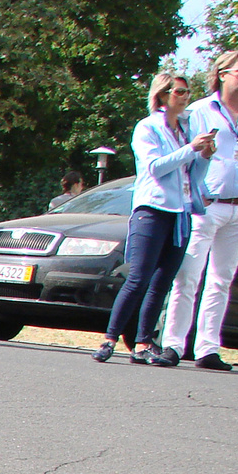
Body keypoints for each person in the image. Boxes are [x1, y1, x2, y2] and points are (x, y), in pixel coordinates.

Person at [158, 50, 238, 371]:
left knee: (221, 280)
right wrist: (196, 194)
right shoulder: (198, 112)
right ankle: (173, 345)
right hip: (204, 207)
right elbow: (184, 155)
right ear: (222, 74)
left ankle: (208, 348)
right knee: (187, 278)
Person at [90, 73, 213, 365]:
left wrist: (205, 156)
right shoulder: (148, 127)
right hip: (152, 210)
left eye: (187, 92)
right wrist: (191, 149)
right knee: (138, 277)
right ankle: (109, 338)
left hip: (180, 212)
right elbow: (156, 168)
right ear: (163, 95)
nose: (185, 98)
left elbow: (191, 175)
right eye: (179, 92)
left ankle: (144, 342)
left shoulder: (185, 131)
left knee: (163, 281)